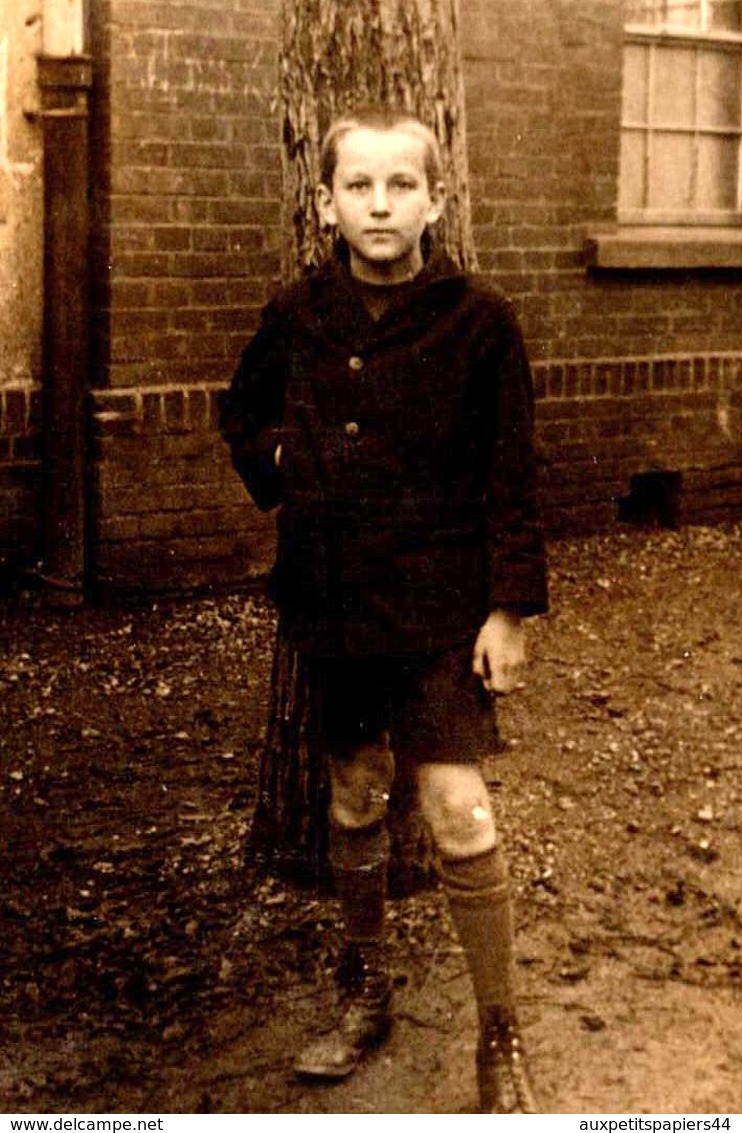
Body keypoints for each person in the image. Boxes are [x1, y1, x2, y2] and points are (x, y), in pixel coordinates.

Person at [219, 104, 548, 1114]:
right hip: (335, 603)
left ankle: (502, 1039)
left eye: (400, 184)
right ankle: (366, 993)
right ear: (325, 204)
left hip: (442, 610)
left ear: (434, 200)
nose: (378, 203)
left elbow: (511, 476)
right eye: (357, 185)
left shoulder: (478, 318)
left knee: (458, 804)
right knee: (355, 794)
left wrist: (509, 610)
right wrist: (279, 461)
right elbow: (243, 410)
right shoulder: (298, 310)